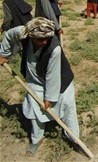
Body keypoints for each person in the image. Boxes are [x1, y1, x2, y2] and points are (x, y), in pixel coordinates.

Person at [0, 17, 80, 155]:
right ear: (31, 35)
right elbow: (8, 35)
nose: (43, 42)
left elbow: (53, 77)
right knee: (35, 110)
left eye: (46, 38)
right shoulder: (22, 32)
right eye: (39, 39)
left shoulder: (54, 49)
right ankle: (36, 139)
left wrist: (49, 98)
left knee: (68, 108)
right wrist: (4, 54)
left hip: (61, 81)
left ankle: (74, 140)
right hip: (34, 78)